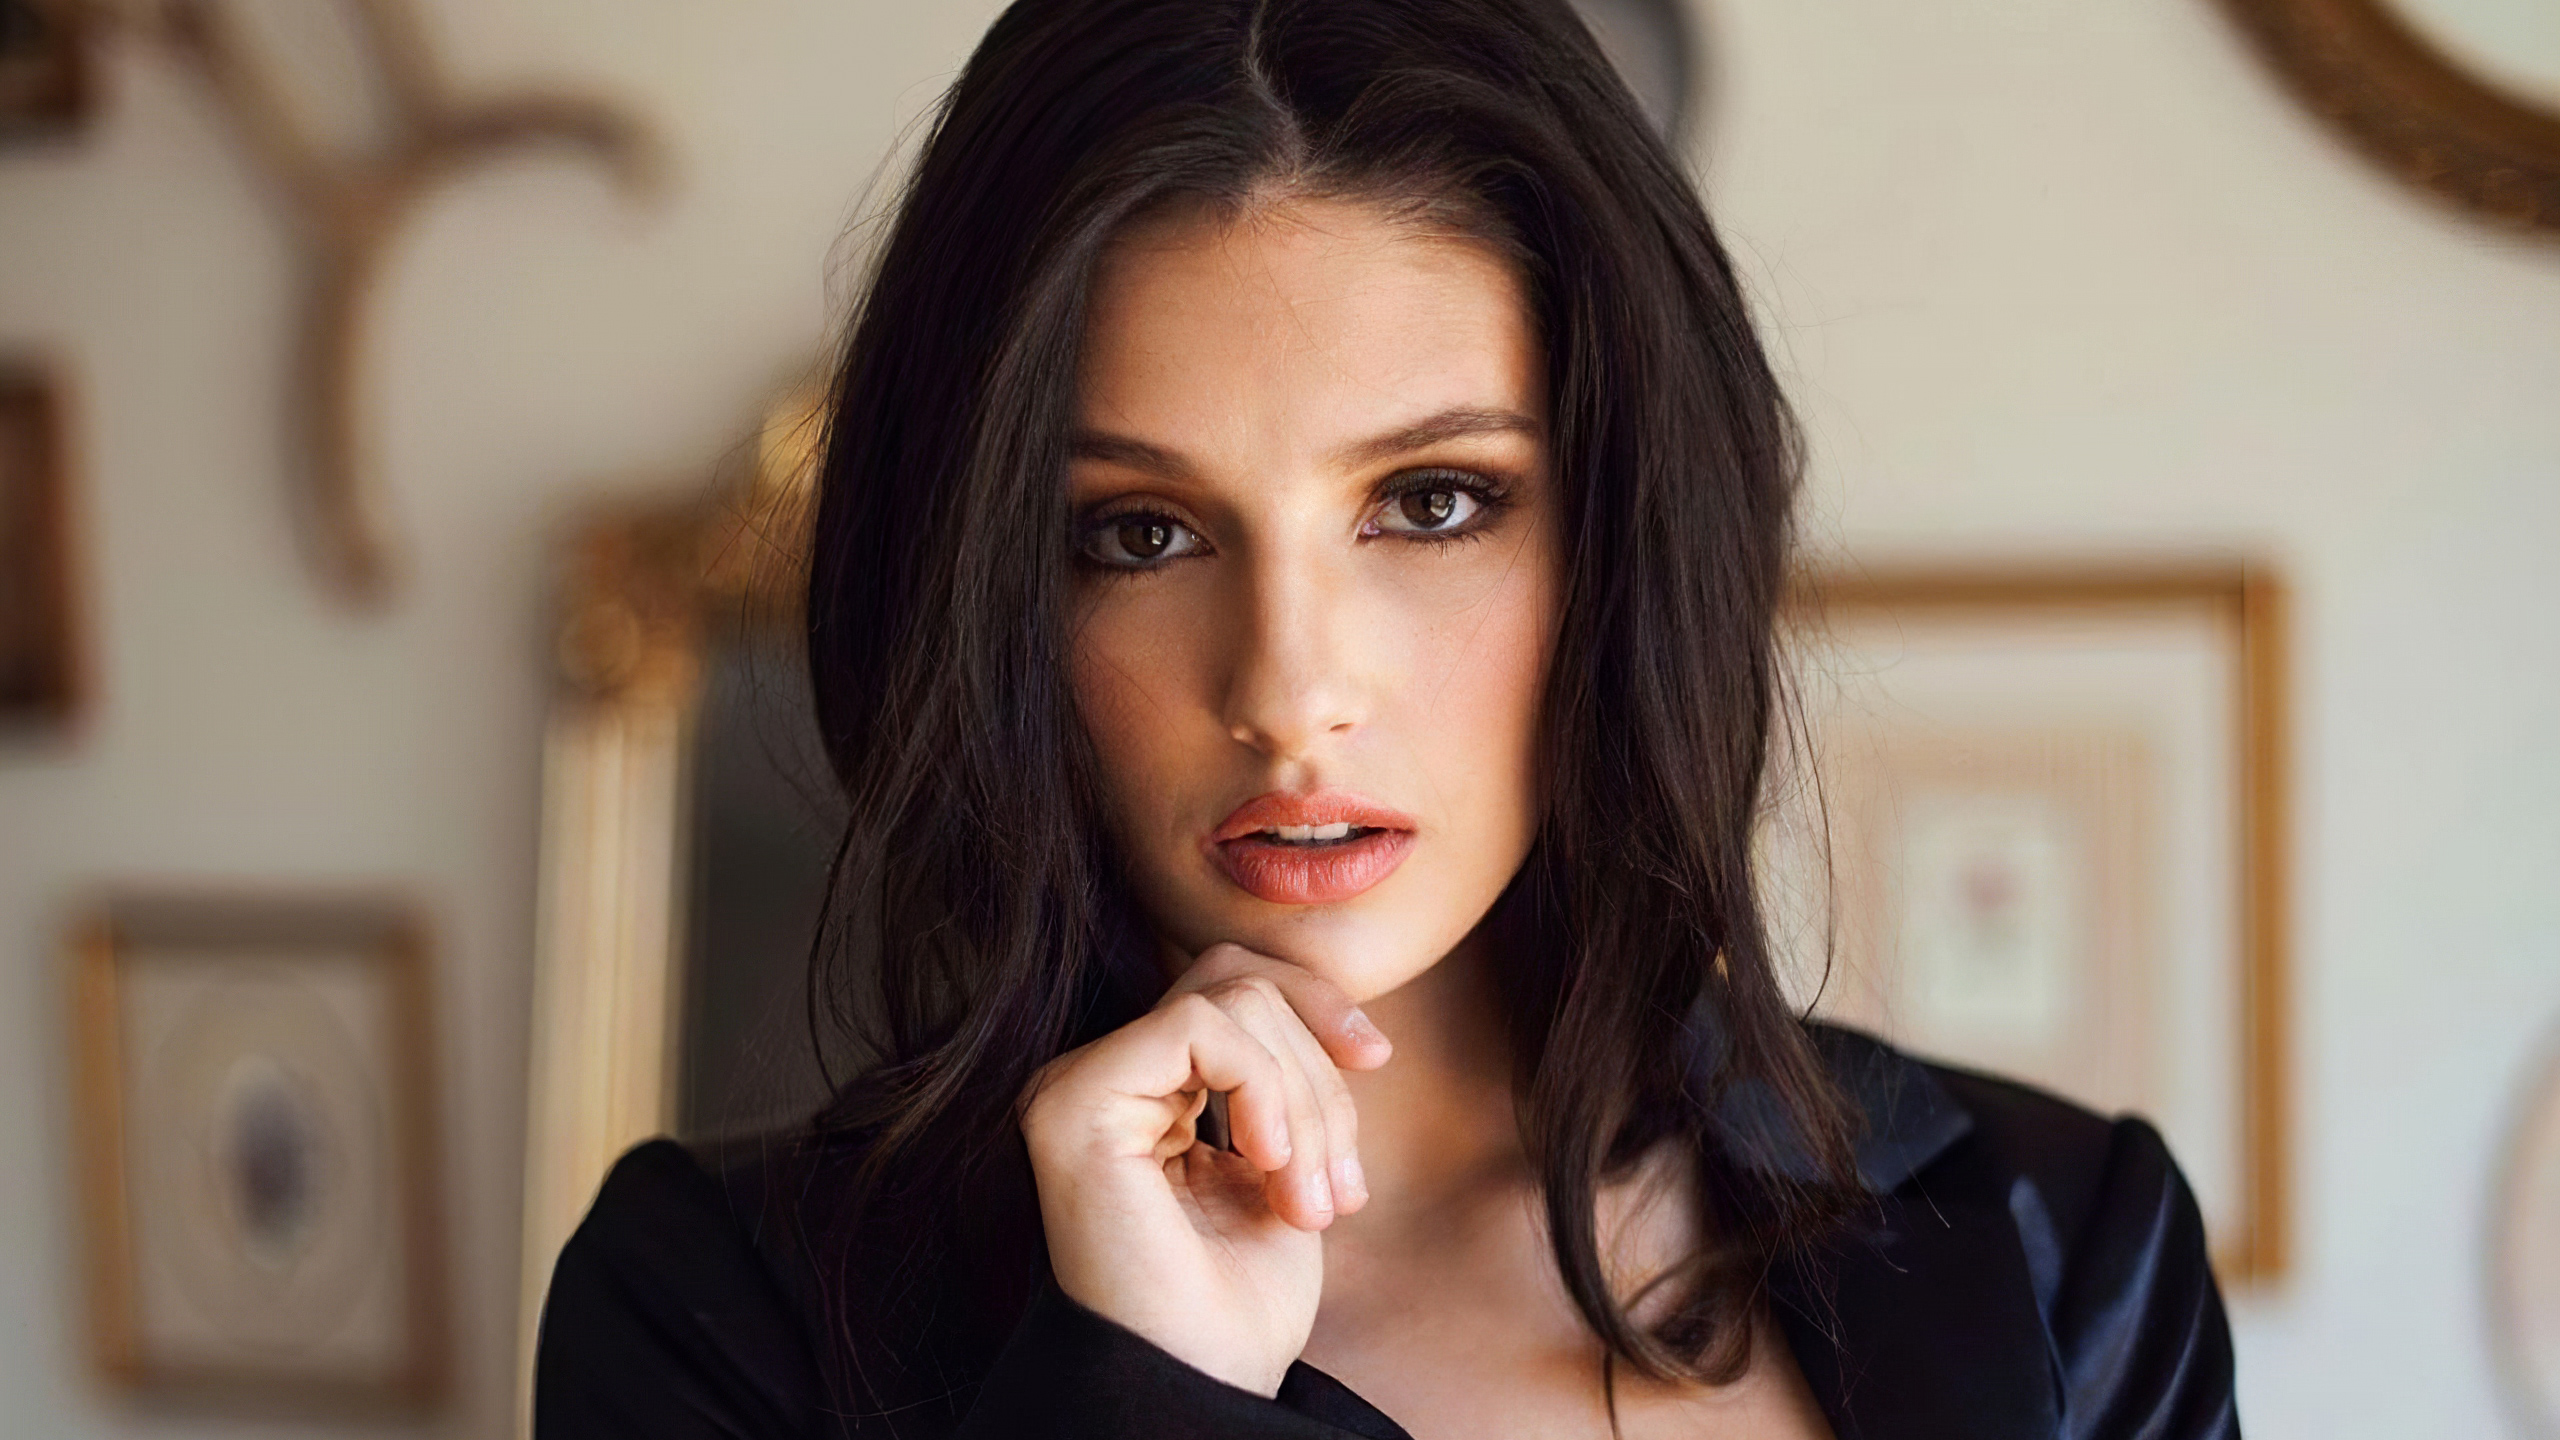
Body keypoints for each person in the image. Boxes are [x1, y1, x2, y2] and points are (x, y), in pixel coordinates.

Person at [534, 1, 2240, 1436]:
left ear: (1628, 536)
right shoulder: (715, 1315)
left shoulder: (2060, 1252)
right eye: (1140, 534)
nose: (1288, 696)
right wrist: (1146, 1388)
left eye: (1431, 503)